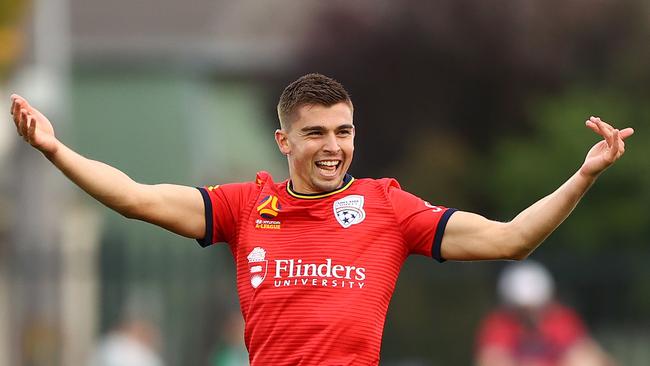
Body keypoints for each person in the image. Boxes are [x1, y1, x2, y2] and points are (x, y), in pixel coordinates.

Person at [9, 73, 633, 365]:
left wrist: (583, 175)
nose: (332, 145)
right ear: (284, 141)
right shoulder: (244, 206)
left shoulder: (389, 208)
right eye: (314, 133)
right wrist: (56, 150)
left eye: (343, 130)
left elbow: (511, 239)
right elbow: (136, 196)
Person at [475, 260, 616, 366]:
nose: (529, 313)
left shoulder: (561, 320)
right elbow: (492, 359)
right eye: (522, 308)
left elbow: (587, 356)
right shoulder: (500, 325)